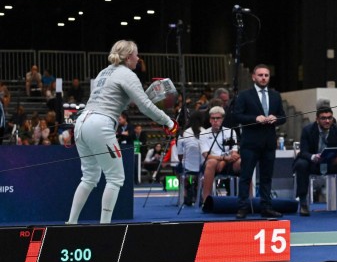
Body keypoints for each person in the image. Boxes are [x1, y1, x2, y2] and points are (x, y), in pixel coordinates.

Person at [67, 40, 177, 224]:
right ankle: (105, 226)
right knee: (115, 177)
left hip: (82, 123)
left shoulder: (105, 71)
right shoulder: (127, 74)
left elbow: (122, 100)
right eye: (136, 54)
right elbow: (144, 106)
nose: (138, 58)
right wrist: (168, 121)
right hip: (99, 124)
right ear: (128, 57)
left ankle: (70, 223)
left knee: (89, 177)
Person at [231, 64, 286, 219]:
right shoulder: (244, 95)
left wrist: (276, 119)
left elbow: (283, 117)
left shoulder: (275, 95)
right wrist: (255, 119)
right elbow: (237, 116)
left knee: (266, 177)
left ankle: (266, 207)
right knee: (246, 176)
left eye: (266, 75)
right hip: (250, 143)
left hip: (269, 143)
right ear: (253, 77)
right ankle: (243, 207)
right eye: (260, 75)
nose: (263, 78)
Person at [294, 105, 337, 216]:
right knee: (301, 164)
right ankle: (303, 203)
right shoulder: (307, 130)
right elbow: (303, 152)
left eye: (330, 118)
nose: (327, 121)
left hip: (331, 163)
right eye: (323, 118)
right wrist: (313, 157)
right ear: (317, 119)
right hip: (313, 164)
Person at [199, 105, 241, 202]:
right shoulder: (203, 134)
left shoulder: (230, 131)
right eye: (213, 118)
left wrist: (224, 161)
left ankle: (248, 200)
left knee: (243, 162)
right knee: (211, 162)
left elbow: (234, 152)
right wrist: (224, 159)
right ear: (209, 120)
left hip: (228, 162)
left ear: (222, 119)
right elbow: (206, 155)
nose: (215, 121)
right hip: (212, 163)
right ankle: (206, 200)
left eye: (218, 118)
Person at [178, 111, 205, 206]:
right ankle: (198, 188)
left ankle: (186, 188)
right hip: (202, 167)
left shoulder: (184, 133)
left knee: (178, 167)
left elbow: (180, 154)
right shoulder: (206, 132)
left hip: (187, 167)